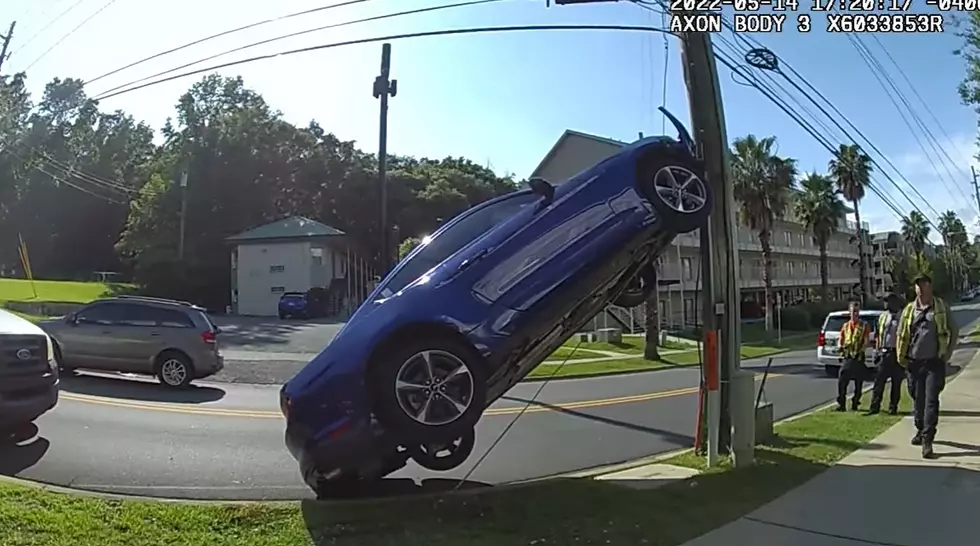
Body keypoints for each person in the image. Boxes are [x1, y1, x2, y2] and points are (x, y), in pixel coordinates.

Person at [897, 274, 958, 459]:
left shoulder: (940, 307)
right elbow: (901, 334)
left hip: (934, 362)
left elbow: (954, 330)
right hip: (913, 363)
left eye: (924, 284)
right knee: (918, 399)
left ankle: (927, 441)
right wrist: (901, 358)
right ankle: (920, 428)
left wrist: (947, 354)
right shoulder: (909, 310)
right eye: (918, 285)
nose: (921, 288)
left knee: (931, 400)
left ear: (930, 286)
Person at [867, 293, 904, 415]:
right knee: (879, 382)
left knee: (896, 383)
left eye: (888, 301)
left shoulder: (903, 317)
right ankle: (874, 407)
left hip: (897, 353)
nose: (886, 304)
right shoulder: (883, 316)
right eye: (885, 301)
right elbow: (878, 334)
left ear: (895, 303)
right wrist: (877, 351)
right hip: (884, 352)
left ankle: (893, 408)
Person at [836, 300, 870, 412]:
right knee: (842, 380)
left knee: (858, 382)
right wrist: (840, 346)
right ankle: (842, 403)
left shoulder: (864, 325)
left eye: (857, 311)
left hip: (858, 358)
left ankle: (855, 402)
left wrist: (861, 350)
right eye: (853, 311)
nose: (855, 313)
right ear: (849, 312)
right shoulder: (845, 326)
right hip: (848, 357)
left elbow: (866, 340)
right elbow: (840, 339)